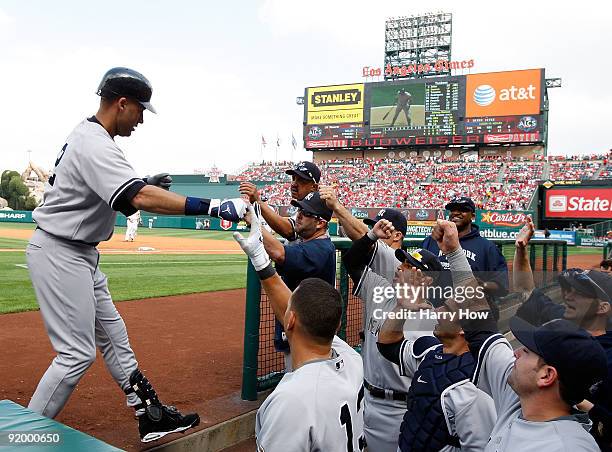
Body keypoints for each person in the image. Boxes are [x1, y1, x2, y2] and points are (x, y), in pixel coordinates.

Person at [26, 67, 247, 442]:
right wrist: (212, 206)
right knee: (76, 354)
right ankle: (22, 439)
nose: (142, 118)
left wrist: (142, 182)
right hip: (60, 252)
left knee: (115, 337)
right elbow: (139, 198)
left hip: (77, 253)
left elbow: (120, 193)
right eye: (140, 109)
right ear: (121, 103)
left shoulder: (91, 138)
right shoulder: (95, 143)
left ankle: (150, 415)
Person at [431, 219, 607, 451]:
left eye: (527, 350)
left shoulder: (568, 446)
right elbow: (480, 326)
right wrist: (454, 252)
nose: (514, 351)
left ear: (546, 376)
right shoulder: (518, 398)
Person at [234, 206, 365, 452]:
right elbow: (291, 306)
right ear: (336, 325)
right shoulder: (352, 360)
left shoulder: (291, 400)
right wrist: (261, 262)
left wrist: (260, 257)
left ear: (290, 321)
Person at [376, 252, 497, 452]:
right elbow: (387, 345)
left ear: (462, 329)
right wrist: (402, 308)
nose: (438, 311)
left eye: (447, 310)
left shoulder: (475, 387)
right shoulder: (431, 353)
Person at [513, 217, 612, 451]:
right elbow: (526, 290)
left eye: (579, 293)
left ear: (602, 308)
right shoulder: (558, 321)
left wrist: (575, 398)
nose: (568, 296)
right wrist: (521, 250)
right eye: (569, 290)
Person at [342, 217, 433, 452]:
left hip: (401, 408)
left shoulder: (431, 319)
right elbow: (351, 262)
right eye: (402, 263)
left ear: (426, 280)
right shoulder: (380, 289)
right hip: (367, 399)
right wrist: (371, 236)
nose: (400, 267)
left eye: (408, 266)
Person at [256, 191, 336, 370]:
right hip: (302, 332)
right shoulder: (312, 244)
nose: (298, 215)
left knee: (303, 387)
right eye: (299, 210)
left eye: (306, 213)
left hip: (307, 338)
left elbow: (279, 253)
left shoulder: (321, 248)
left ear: (320, 223)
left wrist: (252, 222)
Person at [422, 196, 509, 307]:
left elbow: (502, 286)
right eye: (453, 209)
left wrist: (483, 285)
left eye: (462, 209)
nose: (456, 213)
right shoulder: (433, 241)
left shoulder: (487, 247)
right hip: (434, 312)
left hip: (471, 315)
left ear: (472, 216)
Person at [239, 161, 321, 241]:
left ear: (314, 187)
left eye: (301, 180)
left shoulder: (317, 205)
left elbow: (289, 231)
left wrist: (258, 202)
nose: (294, 184)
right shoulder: (301, 205)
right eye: (293, 179)